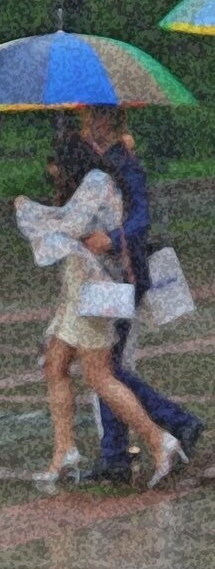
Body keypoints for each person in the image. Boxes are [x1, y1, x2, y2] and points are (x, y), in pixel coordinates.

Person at [15, 135, 187, 489]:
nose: (53, 173)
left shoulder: (97, 181)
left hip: (94, 291)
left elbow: (69, 225)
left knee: (99, 376)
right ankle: (64, 451)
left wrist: (28, 210)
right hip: (76, 289)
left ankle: (160, 441)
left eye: (56, 167)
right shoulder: (87, 184)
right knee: (55, 365)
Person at [79, 107, 204, 484]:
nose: (84, 124)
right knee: (105, 366)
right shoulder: (101, 160)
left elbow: (140, 219)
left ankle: (174, 424)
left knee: (104, 368)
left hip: (120, 275)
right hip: (106, 275)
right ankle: (116, 454)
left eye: (88, 118)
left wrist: (110, 240)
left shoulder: (123, 163)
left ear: (104, 122)